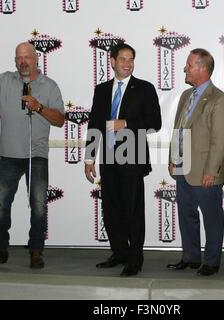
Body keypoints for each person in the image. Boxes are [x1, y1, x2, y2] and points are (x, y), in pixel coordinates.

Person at [0, 42, 65, 269]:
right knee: (1, 205)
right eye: (19, 57)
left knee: (39, 206)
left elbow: (61, 120)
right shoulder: (5, 80)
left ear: (36, 59)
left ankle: (36, 251)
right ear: (15, 61)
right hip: (9, 155)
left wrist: (39, 107)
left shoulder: (50, 86)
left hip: (37, 155)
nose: (23, 61)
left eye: (27, 57)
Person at [84, 43, 161, 277]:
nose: (128, 64)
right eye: (123, 59)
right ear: (113, 61)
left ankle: (135, 259)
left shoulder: (144, 88)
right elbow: (94, 125)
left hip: (132, 157)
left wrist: (125, 123)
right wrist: (89, 158)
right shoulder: (102, 89)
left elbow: (155, 122)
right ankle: (119, 253)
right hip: (107, 158)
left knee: (133, 211)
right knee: (111, 210)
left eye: (131, 59)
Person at [167, 48, 224, 276]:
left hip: (206, 171)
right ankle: (191, 257)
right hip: (182, 168)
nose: (185, 68)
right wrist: (172, 158)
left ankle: (212, 261)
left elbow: (221, 140)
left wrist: (211, 171)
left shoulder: (220, 100)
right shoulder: (186, 95)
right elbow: (178, 128)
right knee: (186, 216)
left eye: (189, 64)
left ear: (203, 68)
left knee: (212, 219)